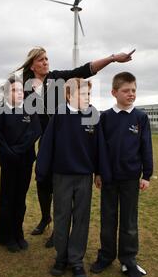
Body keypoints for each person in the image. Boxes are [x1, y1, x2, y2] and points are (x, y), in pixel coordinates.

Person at [15, 46, 135, 247]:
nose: (46, 62)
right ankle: (46, 218)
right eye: (41, 60)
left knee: (59, 186)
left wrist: (113, 58)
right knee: (42, 182)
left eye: (47, 58)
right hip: (43, 140)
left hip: (63, 139)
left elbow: (85, 70)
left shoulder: (57, 78)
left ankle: (58, 230)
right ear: (32, 64)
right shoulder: (25, 86)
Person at [36, 78, 110, 277]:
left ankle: (76, 260)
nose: (87, 98)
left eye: (89, 94)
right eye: (83, 94)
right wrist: (42, 173)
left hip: (84, 177)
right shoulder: (59, 115)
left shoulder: (92, 114)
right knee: (61, 217)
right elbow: (47, 146)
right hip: (61, 176)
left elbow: (99, 146)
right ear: (69, 95)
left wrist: (99, 172)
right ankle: (61, 257)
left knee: (81, 219)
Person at [90, 72, 153, 277]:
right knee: (108, 220)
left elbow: (146, 147)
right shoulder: (105, 117)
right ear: (114, 92)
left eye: (134, 90)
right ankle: (106, 256)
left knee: (129, 222)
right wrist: (98, 173)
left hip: (131, 179)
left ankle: (128, 260)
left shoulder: (141, 117)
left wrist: (146, 175)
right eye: (126, 90)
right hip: (108, 178)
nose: (131, 94)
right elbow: (99, 149)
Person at [0, 77, 41, 252]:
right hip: (8, 162)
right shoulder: (1, 112)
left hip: (25, 162)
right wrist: (10, 152)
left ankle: (18, 233)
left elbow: (34, 133)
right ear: (6, 93)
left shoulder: (30, 111)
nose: (18, 93)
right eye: (14, 90)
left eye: (20, 90)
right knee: (7, 199)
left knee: (20, 199)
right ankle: (5, 236)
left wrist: (18, 150)